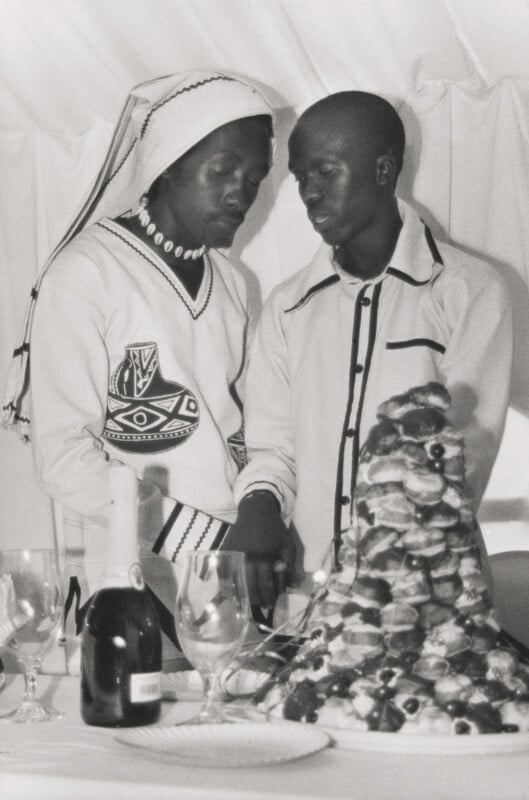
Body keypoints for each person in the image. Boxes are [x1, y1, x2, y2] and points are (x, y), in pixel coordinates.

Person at [3, 71, 274, 653]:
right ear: (168, 165)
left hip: (227, 579)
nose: (241, 194)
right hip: (128, 582)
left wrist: (259, 511)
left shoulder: (234, 282)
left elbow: (248, 429)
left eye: (254, 179)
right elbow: (64, 457)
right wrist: (202, 541)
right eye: (223, 170)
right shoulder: (86, 273)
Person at [226, 90, 513, 610]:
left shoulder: (469, 290)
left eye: (325, 172)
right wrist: (260, 504)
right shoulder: (286, 308)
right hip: (308, 608)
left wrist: (372, 561)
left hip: (427, 597)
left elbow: (464, 452)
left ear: (384, 170)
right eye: (300, 178)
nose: (308, 193)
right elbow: (271, 448)